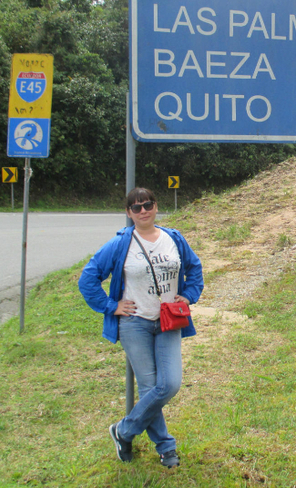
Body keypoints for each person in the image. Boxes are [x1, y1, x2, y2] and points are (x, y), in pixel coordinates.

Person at [78, 187, 204, 467]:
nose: (143, 211)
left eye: (147, 205)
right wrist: (111, 306)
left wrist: (189, 294)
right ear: (128, 212)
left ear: (156, 206)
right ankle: (166, 447)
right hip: (134, 323)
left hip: (168, 321)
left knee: (169, 384)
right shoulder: (120, 244)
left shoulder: (174, 239)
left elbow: (194, 268)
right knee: (149, 387)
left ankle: (123, 431)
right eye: (136, 207)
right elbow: (88, 278)